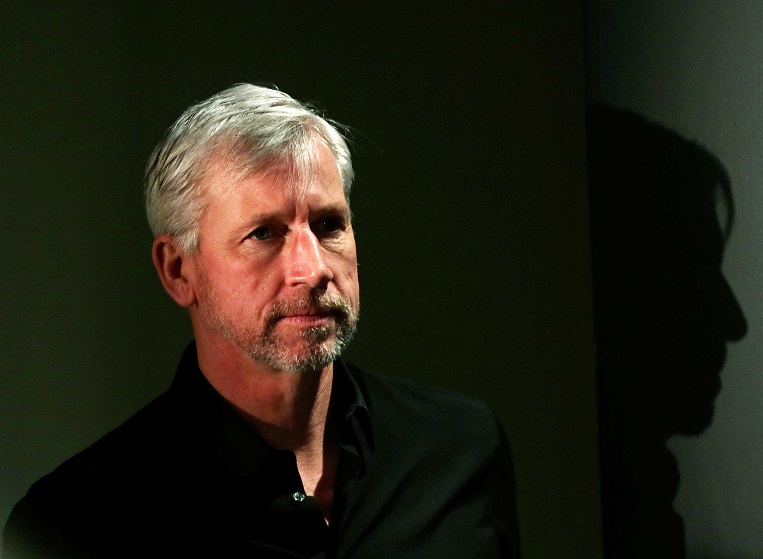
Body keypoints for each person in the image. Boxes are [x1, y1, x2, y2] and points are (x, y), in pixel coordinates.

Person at [4, 84, 519, 558]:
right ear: (179, 270)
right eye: (264, 234)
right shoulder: (76, 525)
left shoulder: (459, 449)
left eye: (328, 225)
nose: (313, 269)